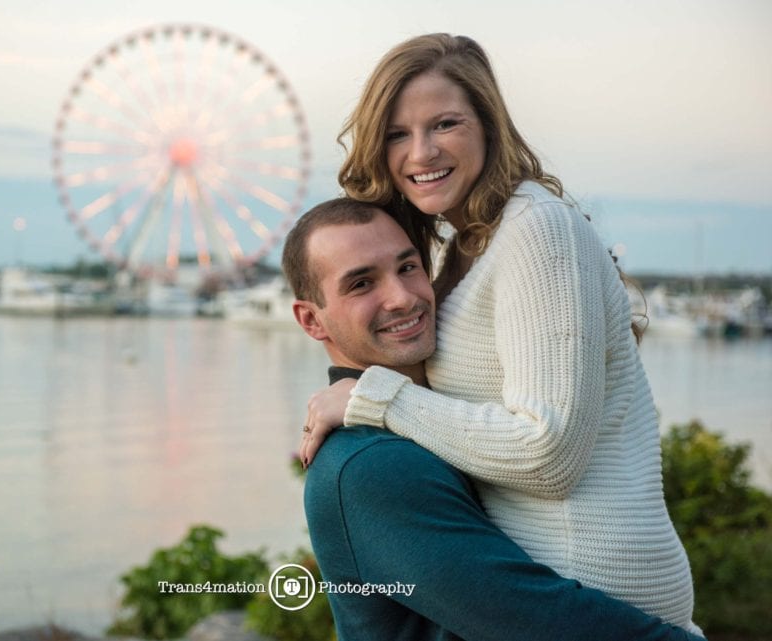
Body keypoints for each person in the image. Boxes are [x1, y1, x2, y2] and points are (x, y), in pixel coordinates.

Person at [300, 34, 700, 634]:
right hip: (551, 584)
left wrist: (374, 398)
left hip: (594, 586)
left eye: (445, 124)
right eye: (397, 134)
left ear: (489, 124)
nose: (421, 152)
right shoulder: (462, 247)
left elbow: (549, 454)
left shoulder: (536, 227)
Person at [284, 198, 705, 641]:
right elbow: (543, 623)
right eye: (361, 284)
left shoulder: (440, 424)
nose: (403, 298)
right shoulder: (371, 466)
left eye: (408, 267)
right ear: (311, 320)